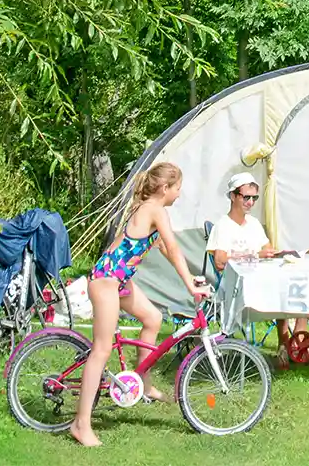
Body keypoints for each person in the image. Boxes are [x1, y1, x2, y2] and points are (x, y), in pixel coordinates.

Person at [70, 162, 209, 448]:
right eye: (178, 188)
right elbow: (172, 246)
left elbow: (166, 252)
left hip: (118, 281)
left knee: (153, 319)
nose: (180, 195)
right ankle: (80, 424)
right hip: (107, 281)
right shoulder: (154, 209)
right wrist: (188, 285)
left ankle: (141, 381)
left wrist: (190, 278)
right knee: (102, 349)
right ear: (165, 188)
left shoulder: (148, 209)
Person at [206, 171, 309, 365]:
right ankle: (289, 345)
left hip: (259, 278)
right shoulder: (223, 226)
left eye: (254, 198)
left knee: (294, 286)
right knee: (284, 292)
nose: (250, 202)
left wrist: (276, 254)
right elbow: (220, 261)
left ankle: (291, 343)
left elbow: (266, 248)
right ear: (233, 196)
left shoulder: (253, 224)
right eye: (246, 197)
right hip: (236, 286)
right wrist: (255, 255)